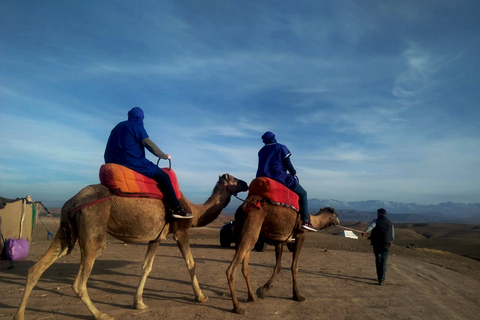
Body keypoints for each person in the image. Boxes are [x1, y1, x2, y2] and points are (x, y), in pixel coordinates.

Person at [104, 107, 192, 219]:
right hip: (132, 161)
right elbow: (150, 145)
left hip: (111, 160)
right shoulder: (137, 126)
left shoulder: (117, 127)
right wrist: (164, 156)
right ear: (140, 118)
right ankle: (177, 209)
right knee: (164, 177)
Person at [256, 131, 316, 232]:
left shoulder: (261, 151)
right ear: (274, 138)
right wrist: (293, 172)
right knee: (303, 194)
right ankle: (305, 221)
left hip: (260, 178)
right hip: (278, 176)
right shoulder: (281, 147)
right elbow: (288, 163)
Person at [362, 208, 395, 285]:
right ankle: (382, 278)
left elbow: (371, 226)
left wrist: (365, 232)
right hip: (387, 244)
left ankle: (379, 277)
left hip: (377, 243)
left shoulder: (376, 221)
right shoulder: (390, 223)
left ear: (379, 214)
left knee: (378, 259)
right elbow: (393, 235)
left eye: (377, 213)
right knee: (384, 261)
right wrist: (391, 241)